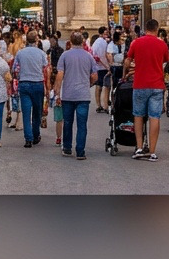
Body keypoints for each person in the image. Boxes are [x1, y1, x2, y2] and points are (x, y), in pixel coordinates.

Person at [121, 17, 169, 160]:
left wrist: (125, 72)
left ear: (145, 28)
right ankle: (153, 151)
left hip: (140, 84)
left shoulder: (136, 43)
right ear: (157, 29)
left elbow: (127, 61)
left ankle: (140, 147)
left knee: (138, 115)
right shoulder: (162, 45)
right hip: (156, 85)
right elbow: (166, 60)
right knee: (154, 117)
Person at [53, 31, 95, 160]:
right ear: (83, 41)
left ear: (70, 42)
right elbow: (94, 75)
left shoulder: (65, 55)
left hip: (69, 95)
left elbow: (60, 74)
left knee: (68, 122)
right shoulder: (88, 56)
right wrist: (88, 84)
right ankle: (80, 151)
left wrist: (57, 90)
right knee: (82, 124)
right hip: (83, 95)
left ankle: (67, 147)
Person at [12, 30, 49, 148]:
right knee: (37, 112)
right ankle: (36, 134)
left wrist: (20, 76)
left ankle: (28, 138)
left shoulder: (20, 53)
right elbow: (46, 69)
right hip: (38, 83)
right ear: (37, 40)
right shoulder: (41, 53)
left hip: (24, 84)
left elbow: (15, 70)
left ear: (26, 40)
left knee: (26, 113)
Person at [91, 26, 111, 114]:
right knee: (105, 87)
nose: (107, 35)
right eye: (106, 33)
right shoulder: (103, 42)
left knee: (98, 86)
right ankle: (104, 105)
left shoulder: (96, 42)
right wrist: (108, 66)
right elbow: (103, 55)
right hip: (103, 67)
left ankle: (98, 105)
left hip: (98, 66)